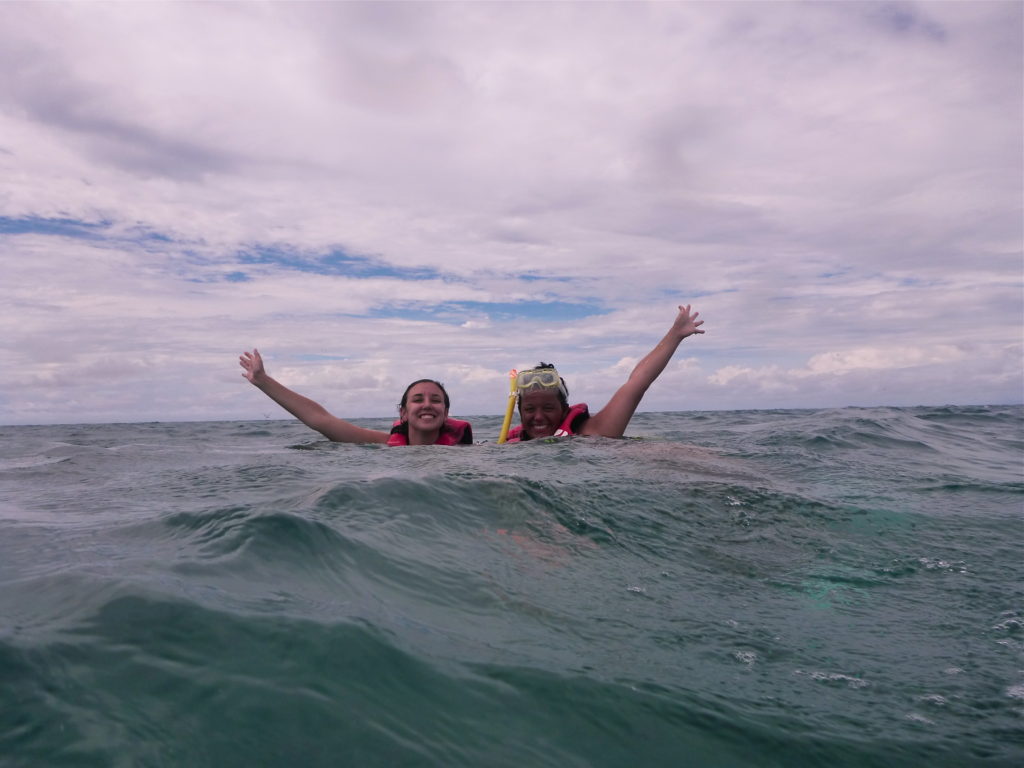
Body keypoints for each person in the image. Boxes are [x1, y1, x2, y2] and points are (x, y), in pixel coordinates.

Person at [504, 304, 704, 441]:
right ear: (520, 412)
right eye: (530, 409)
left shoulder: (593, 433)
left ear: (564, 409)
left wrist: (675, 335)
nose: (538, 417)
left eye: (548, 408)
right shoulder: (509, 446)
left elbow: (637, 383)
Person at [239, 349, 472, 446]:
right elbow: (322, 420)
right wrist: (263, 381)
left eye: (436, 400)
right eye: (418, 399)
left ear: (446, 413)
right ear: (403, 412)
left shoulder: (467, 453)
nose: (427, 405)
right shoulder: (383, 446)